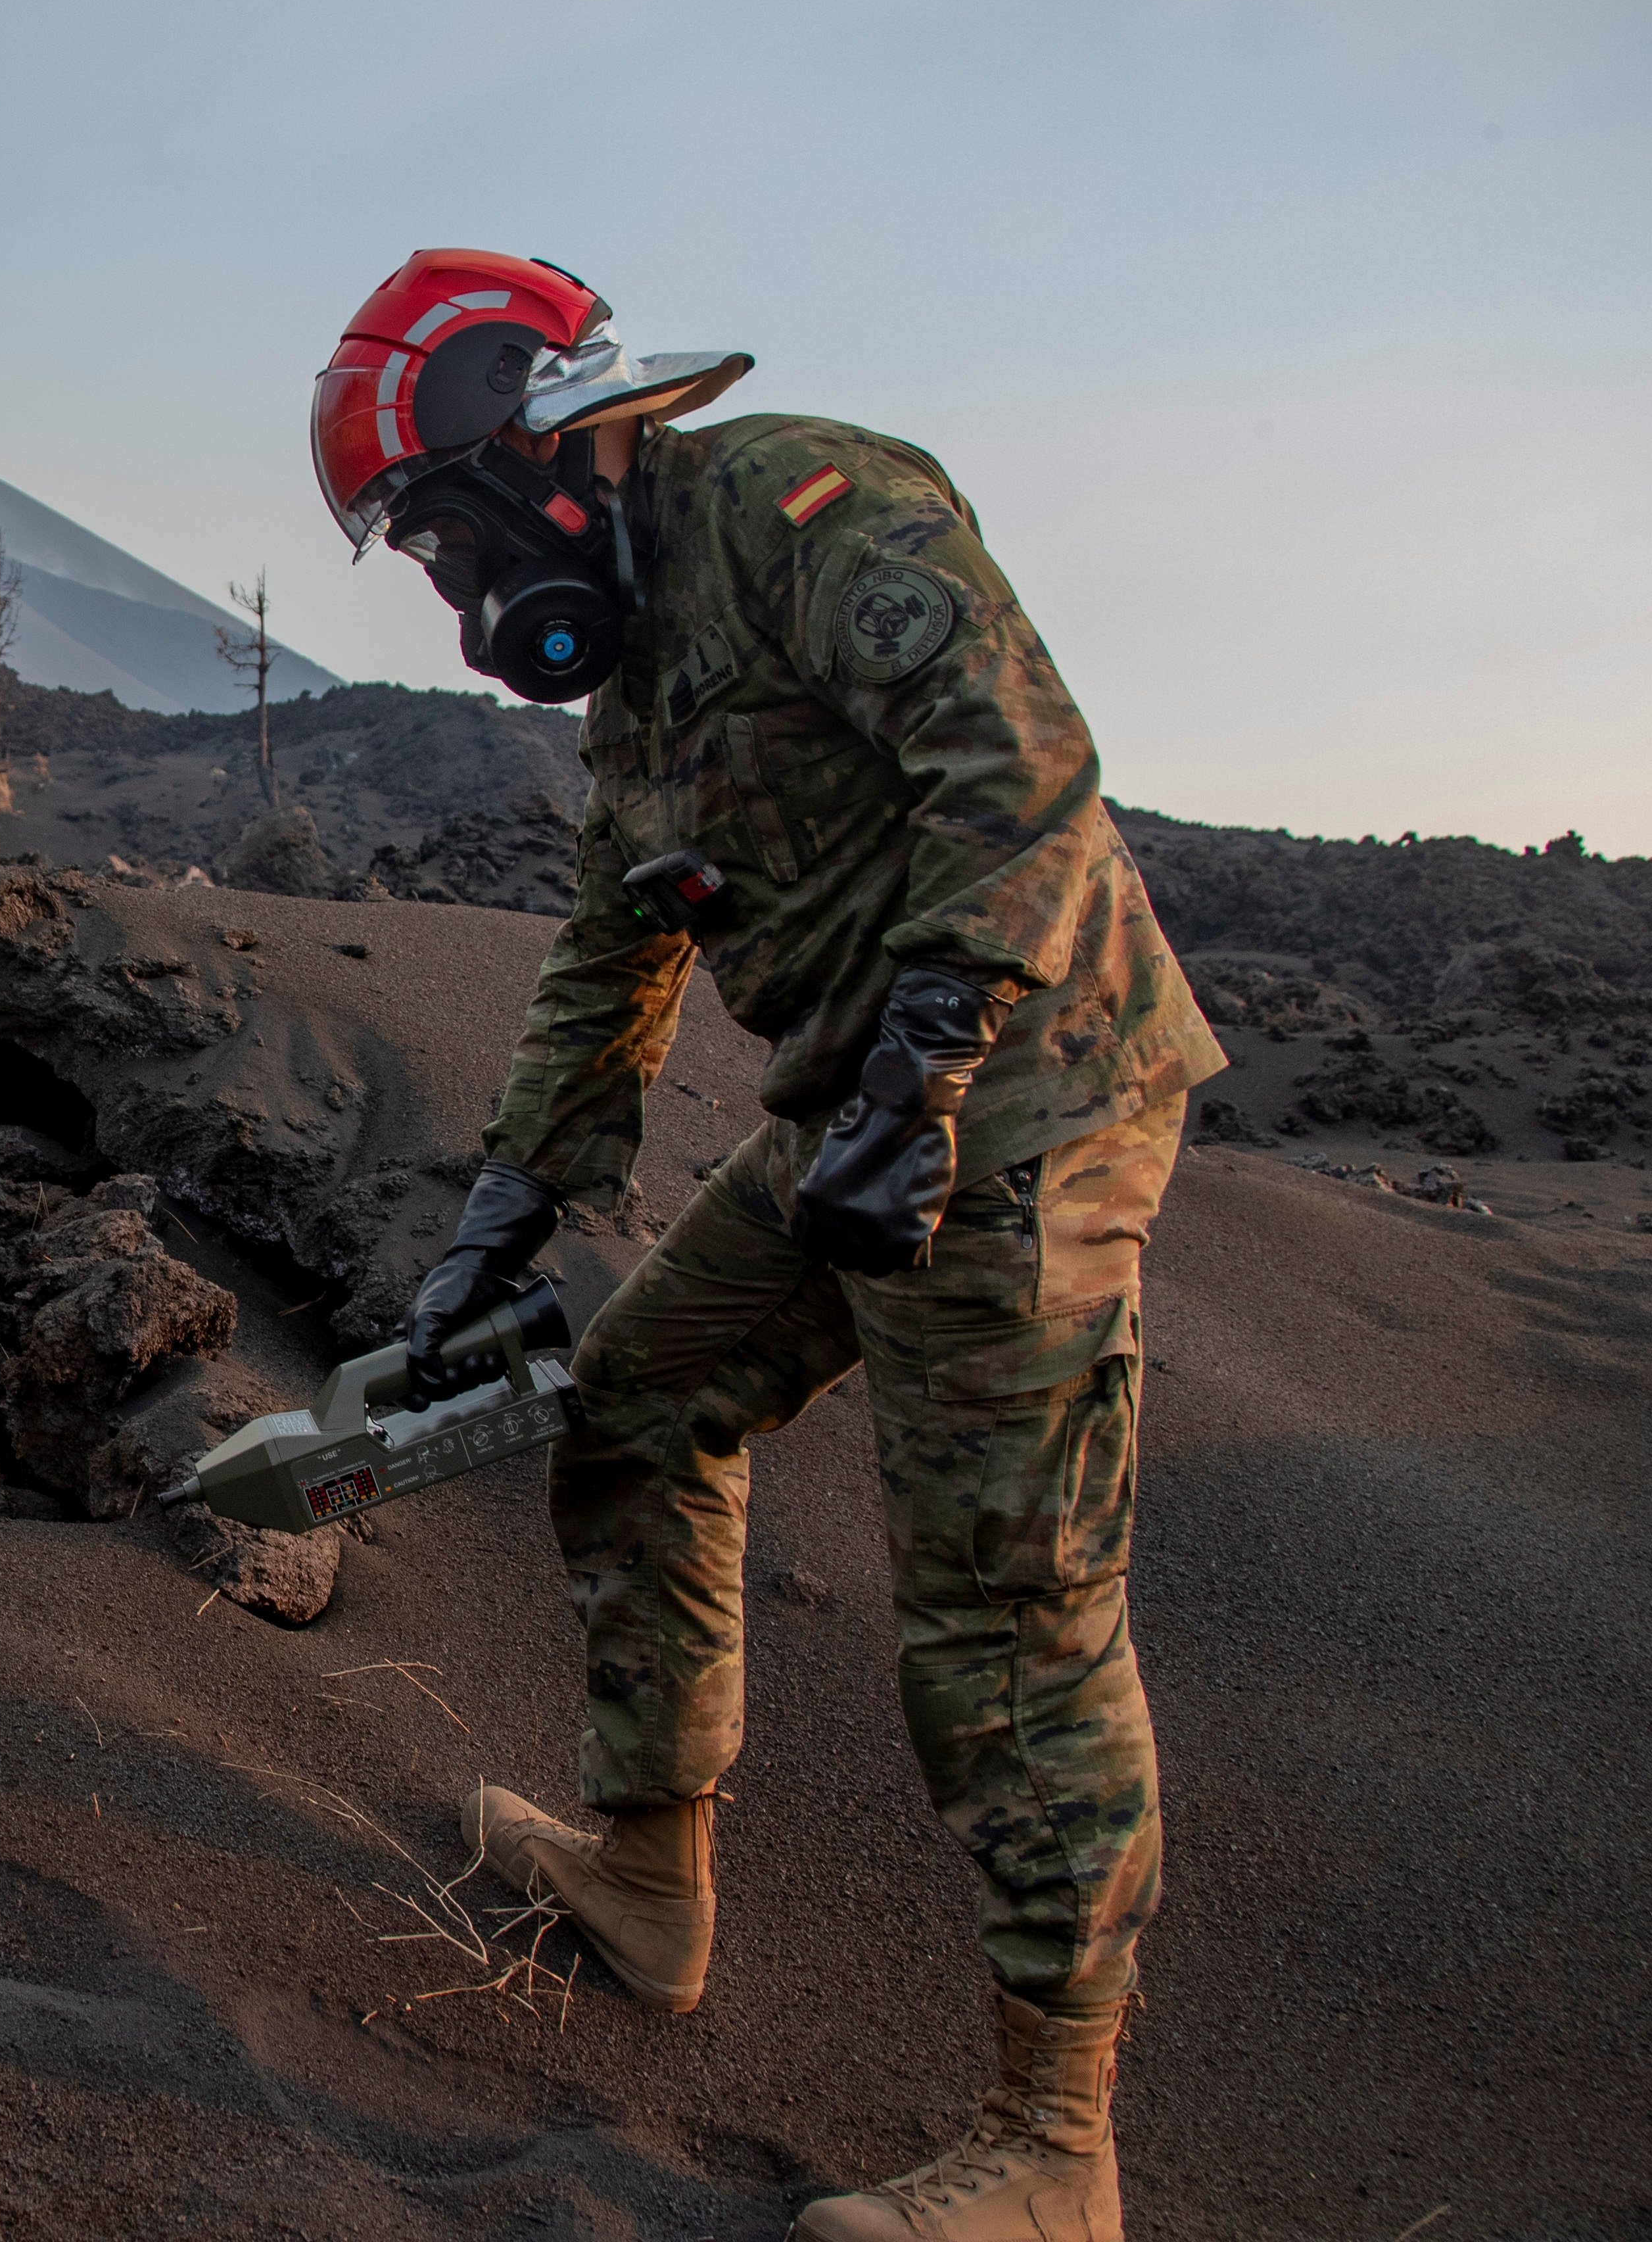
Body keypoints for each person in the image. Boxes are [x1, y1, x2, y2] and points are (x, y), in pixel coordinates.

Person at [309, 250, 1225, 2242]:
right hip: (863, 1117)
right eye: (430, 567)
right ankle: (648, 1879)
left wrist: (930, 1059)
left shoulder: (815, 504)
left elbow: (1026, 778)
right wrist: (506, 1210)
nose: (468, 606)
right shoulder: (634, 683)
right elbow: (617, 950)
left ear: (541, 435)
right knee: (639, 1405)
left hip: (1029, 1086)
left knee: (1006, 1600)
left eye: (456, 540)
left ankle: (1057, 2155)